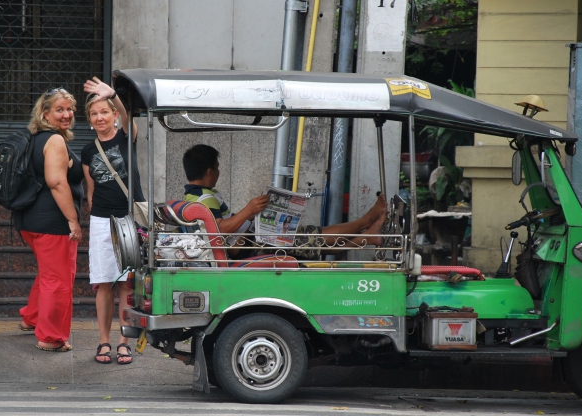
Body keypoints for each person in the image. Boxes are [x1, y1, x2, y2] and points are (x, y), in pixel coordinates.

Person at [182, 144, 387, 259]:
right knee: (314, 237)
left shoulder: (194, 195)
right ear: (209, 172)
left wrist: (254, 214)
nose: (219, 172)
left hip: (249, 239)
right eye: (217, 168)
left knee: (312, 240)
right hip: (250, 245)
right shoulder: (204, 198)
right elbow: (218, 230)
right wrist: (249, 210)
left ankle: (368, 236)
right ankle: (366, 223)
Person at [15, 88, 84, 352]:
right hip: (52, 224)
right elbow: (56, 183)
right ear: (45, 114)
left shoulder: (33, 138)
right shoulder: (54, 141)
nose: (66, 115)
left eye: (70, 110)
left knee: (49, 274)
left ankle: (31, 318)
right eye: (60, 110)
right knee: (58, 279)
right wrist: (73, 220)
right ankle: (51, 337)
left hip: (29, 221)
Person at [81, 77, 143, 365]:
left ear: (114, 115)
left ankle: (124, 341)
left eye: (104, 111)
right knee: (104, 282)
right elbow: (90, 190)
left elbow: (130, 119)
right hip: (101, 220)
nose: (100, 117)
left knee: (126, 284)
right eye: (94, 114)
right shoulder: (88, 150)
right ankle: (104, 341)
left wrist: (112, 94)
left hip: (128, 217)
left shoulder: (125, 136)